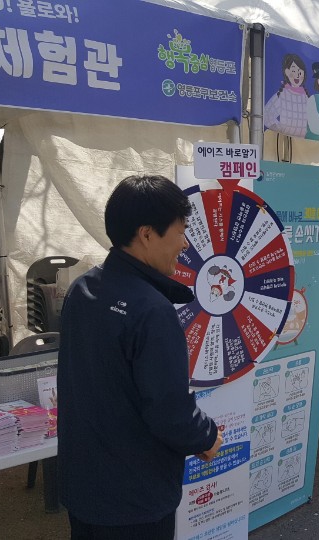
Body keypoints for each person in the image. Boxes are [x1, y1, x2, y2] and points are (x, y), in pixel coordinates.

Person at [58, 175, 223, 539]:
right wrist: (207, 437)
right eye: (180, 231)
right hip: (135, 499)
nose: (185, 244)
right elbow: (170, 412)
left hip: (83, 485)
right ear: (147, 234)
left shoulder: (82, 289)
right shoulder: (152, 309)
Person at [264, 53, 309, 137]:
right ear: (287, 72)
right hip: (285, 142)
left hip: (303, 143)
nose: (297, 75)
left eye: (299, 72)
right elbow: (266, 114)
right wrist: (279, 129)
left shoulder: (306, 97)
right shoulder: (282, 94)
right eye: (293, 71)